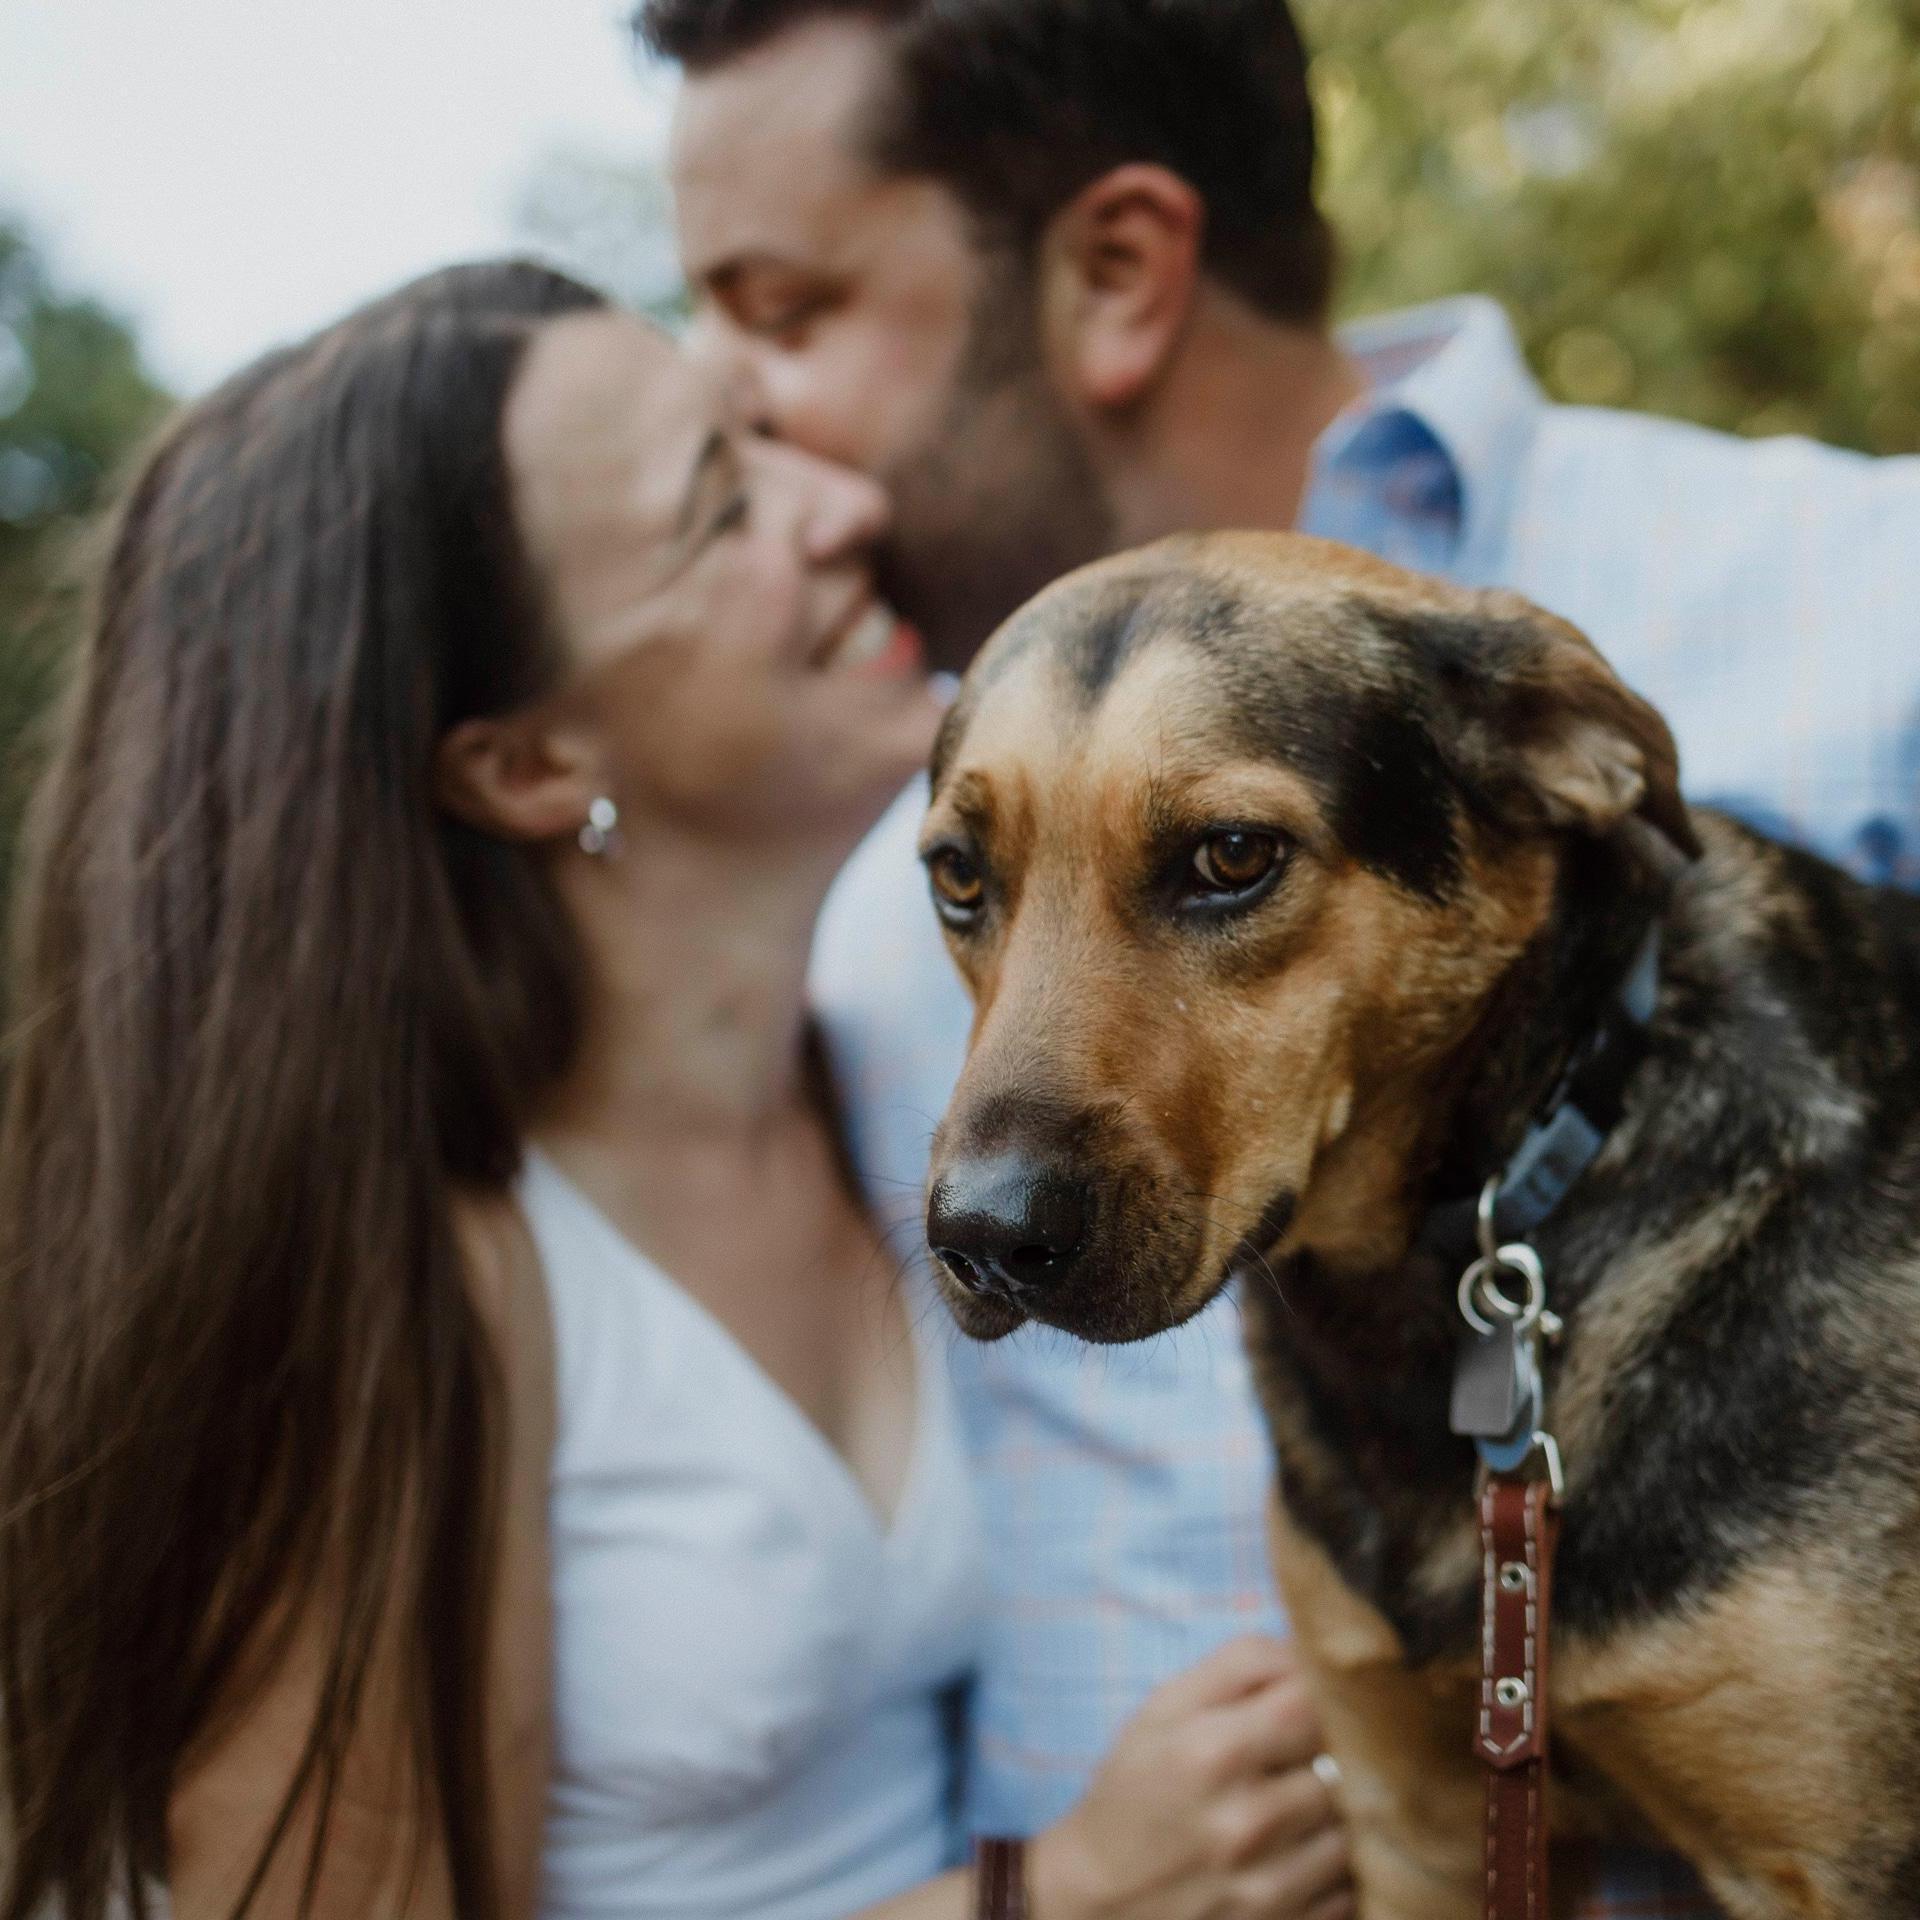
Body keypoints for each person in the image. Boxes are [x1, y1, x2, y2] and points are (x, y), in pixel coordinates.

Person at [635, 0, 1920, 1911]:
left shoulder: (1866, 600)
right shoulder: (860, 917)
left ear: (1121, 269)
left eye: (785, 307)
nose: (719, 402)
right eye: (973, 886)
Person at [0, 262, 1350, 1920]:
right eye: (724, 506)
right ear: (527, 763)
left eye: (762, 434)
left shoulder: (896, 1077)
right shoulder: (411, 1278)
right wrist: (1054, 1897)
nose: (848, 503)